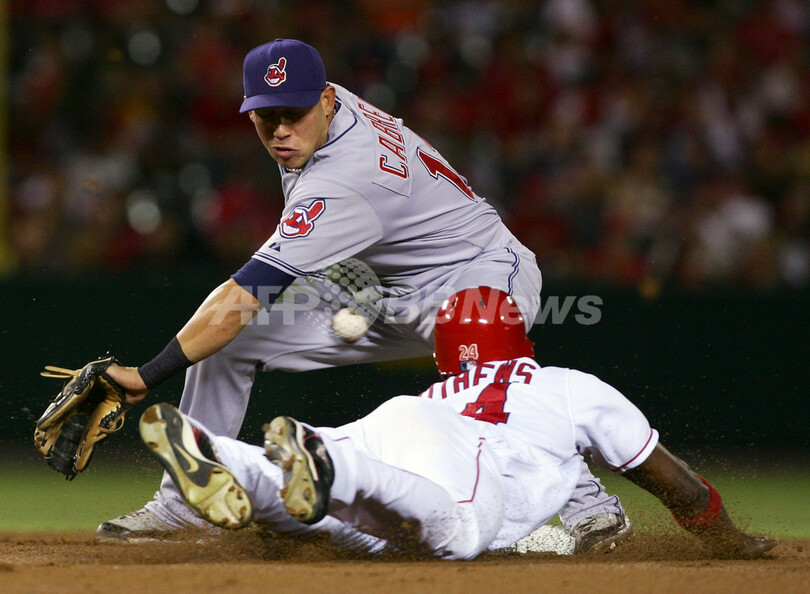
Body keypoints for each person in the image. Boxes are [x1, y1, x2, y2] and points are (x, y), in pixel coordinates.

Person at [96, 38, 624, 549]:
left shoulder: (345, 180)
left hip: (476, 272)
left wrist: (145, 375)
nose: (280, 130)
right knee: (227, 344)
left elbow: (246, 293)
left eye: (294, 113)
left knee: (487, 379)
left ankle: (589, 503)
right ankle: (185, 508)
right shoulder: (326, 111)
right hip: (381, 291)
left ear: (327, 100)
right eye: (266, 115)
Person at [136, 287, 776, 560]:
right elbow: (672, 483)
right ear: (519, 339)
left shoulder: (443, 386)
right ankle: (328, 468)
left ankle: (235, 460)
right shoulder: (564, 385)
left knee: (366, 530)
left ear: (447, 351)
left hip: (397, 420)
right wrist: (729, 540)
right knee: (457, 531)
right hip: (463, 450)